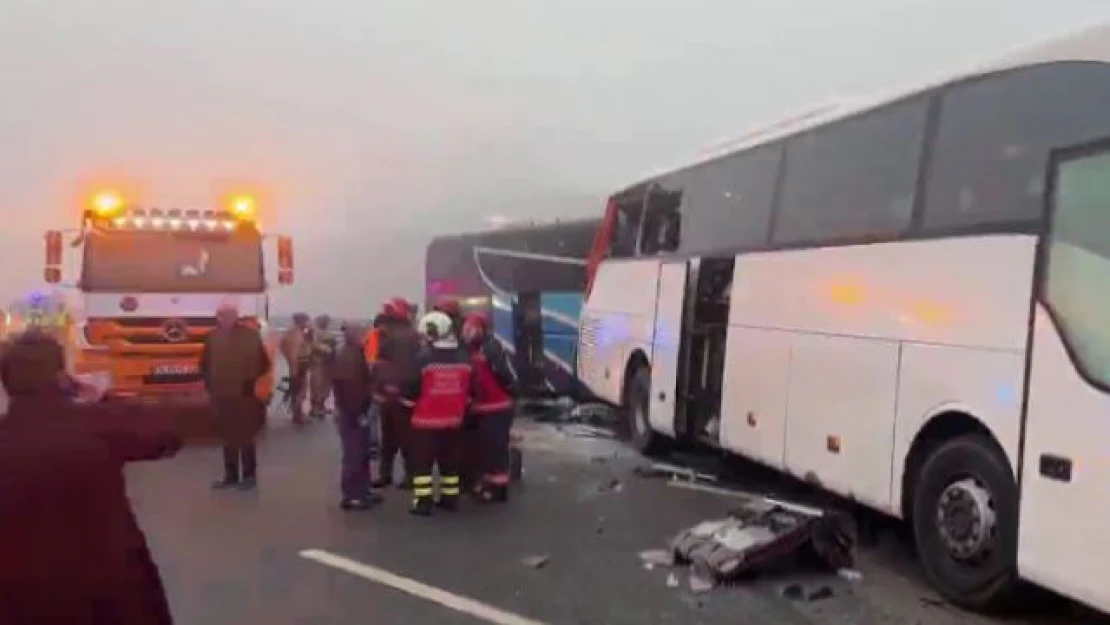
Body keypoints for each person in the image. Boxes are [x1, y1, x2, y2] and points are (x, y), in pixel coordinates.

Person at [0, 331, 183, 625]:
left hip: (24, 598)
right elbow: (167, 434)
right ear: (61, 376)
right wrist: (104, 397)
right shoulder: (97, 423)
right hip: (110, 591)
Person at [400, 311, 473, 516]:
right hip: (454, 420)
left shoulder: (423, 358)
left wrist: (407, 405)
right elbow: (471, 391)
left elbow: (411, 389)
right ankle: (450, 499)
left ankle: (423, 502)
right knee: (450, 463)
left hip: (425, 422)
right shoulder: (464, 357)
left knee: (422, 464)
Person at [199, 301, 271, 490]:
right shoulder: (212, 337)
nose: (223, 319)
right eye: (220, 316)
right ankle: (230, 476)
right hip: (222, 395)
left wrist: (250, 381)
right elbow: (204, 364)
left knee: (246, 437)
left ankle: (249, 477)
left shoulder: (251, 336)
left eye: (227, 315)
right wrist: (211, 386)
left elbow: (264, 363)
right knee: (228, 437)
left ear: (235, 316)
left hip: (244, 395)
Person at [461, 312, 518, 503]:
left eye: (472, 329)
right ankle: (486, 485)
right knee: (486, 449)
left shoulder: (490, 349)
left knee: (496, 449)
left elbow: (505, 374)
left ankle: (498, 490)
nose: (468, 333)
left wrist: (511, 392)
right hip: (482, 408)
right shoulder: (471, 350)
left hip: (496, 406)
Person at [372, 297, 421, 490]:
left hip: (392, 393)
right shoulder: (410, 335)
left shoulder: (390, 335)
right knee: (403, 438)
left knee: (392, 438)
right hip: (402, 394)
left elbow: (383, 364)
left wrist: (382, 387)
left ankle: (389, 475)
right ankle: (404, 475)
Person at [331, 322, 380, 510]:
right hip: (353, 413)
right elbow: (350, 390)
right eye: (362, 335)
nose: (366, 338)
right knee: (354, 454)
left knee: (361, 453)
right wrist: (358, 413)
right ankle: (353, 495)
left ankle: (363, 490)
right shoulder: (349, 358)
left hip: (356, 411)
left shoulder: (352, 354)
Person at [279, 312, 312, 425]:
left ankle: (297, 414)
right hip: (298, 367)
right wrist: (295, 367)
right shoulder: (296, 335)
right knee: (299, 392)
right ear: (302, 321)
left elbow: (283, 348)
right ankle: (298, 416)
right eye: (307, 321)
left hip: (295, 366)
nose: (309, 323)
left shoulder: (290, 332)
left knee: (296, 392)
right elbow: (294, 354)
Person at [308, 314, 337, 419]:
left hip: (328, 363)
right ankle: (314, 408)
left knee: (326, 386)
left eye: (327, 321)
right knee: (316, 385)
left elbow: (333, 344)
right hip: (317, 362)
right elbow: (312, 345)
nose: (326, 322)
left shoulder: (329, 332)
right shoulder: (313, 331)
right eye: (324, 320)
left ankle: (322, 406)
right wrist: (325, 349)